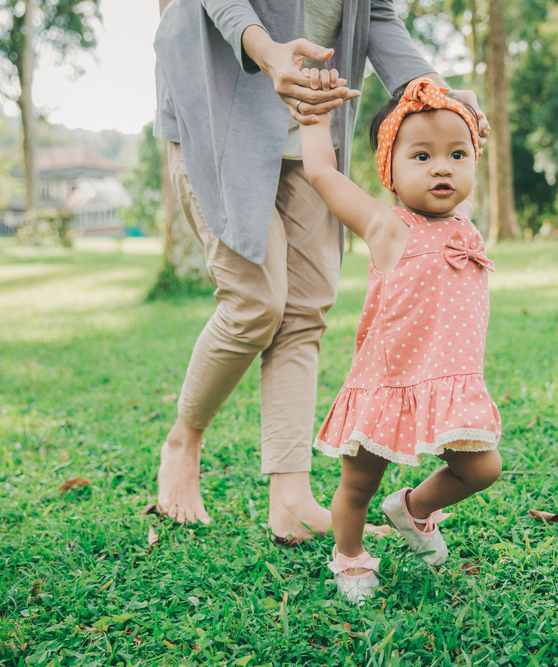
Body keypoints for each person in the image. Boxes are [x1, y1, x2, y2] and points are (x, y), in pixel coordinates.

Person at [151, 0, 489, 541]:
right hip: (221, 103)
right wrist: (265, 51)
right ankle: (184, 439)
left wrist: (434, 88)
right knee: (256, 303)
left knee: (306, 308)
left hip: (312, 115)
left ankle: (290, 500)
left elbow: (375, 11)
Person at [297, 72, 503, 603]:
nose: (442, 167)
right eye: (421, 157)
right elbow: (321, 174)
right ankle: (349, 557)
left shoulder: (465, 222)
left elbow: (472, 135)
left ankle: (411, 509)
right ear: (388, 169)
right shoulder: (387, 226)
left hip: (449, 387)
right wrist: (313, 118)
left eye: (458, 155)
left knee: (482, 467)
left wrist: (469, 112)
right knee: (359, 485)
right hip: (386, 385)